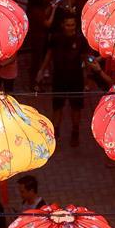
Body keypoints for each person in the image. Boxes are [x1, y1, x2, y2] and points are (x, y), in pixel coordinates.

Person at [38, 13, 89, 147]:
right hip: (59, 78)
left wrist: (87, 79)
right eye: (68, 25)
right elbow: (49, 55)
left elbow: (86, 59)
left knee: (76, 108)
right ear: (62, 25)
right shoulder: (55, 38)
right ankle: (55, 134)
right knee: (57, 107)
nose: (70, 27)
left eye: (72, 25)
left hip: (76, 79)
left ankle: (75, 133)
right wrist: (41, 71)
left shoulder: (81, 40)